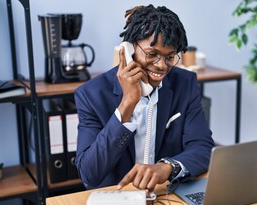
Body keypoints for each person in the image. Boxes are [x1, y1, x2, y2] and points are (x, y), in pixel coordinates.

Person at [74, 4, 215, 191]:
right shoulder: (91, 94)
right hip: (118, 198)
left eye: (170, 56)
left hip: (165, 195)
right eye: (152, 54)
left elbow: (203, 147)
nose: (161, 65)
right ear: (129, 50)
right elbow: (90, 174)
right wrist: (127, 104)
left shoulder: (185, 83)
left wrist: (166, 167)